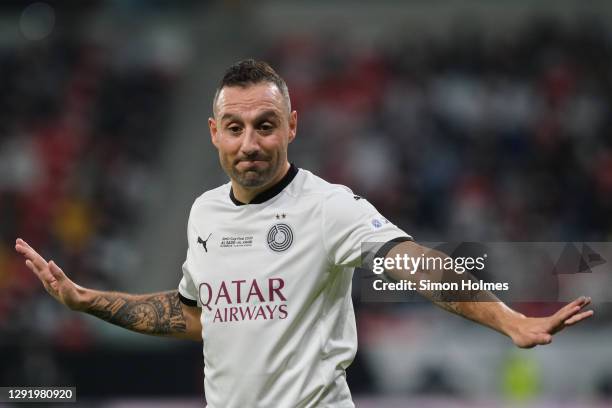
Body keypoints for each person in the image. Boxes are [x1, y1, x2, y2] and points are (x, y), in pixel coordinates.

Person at [15, 59, 594, 408]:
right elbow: (197, 314)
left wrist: (508, 318)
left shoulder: (327, 207)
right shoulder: (204, 214)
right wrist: (87, 301)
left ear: (290, 126)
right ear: (214, 133)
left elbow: (414, 263)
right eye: (236, 128)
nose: (251, 144)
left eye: (266, 126)